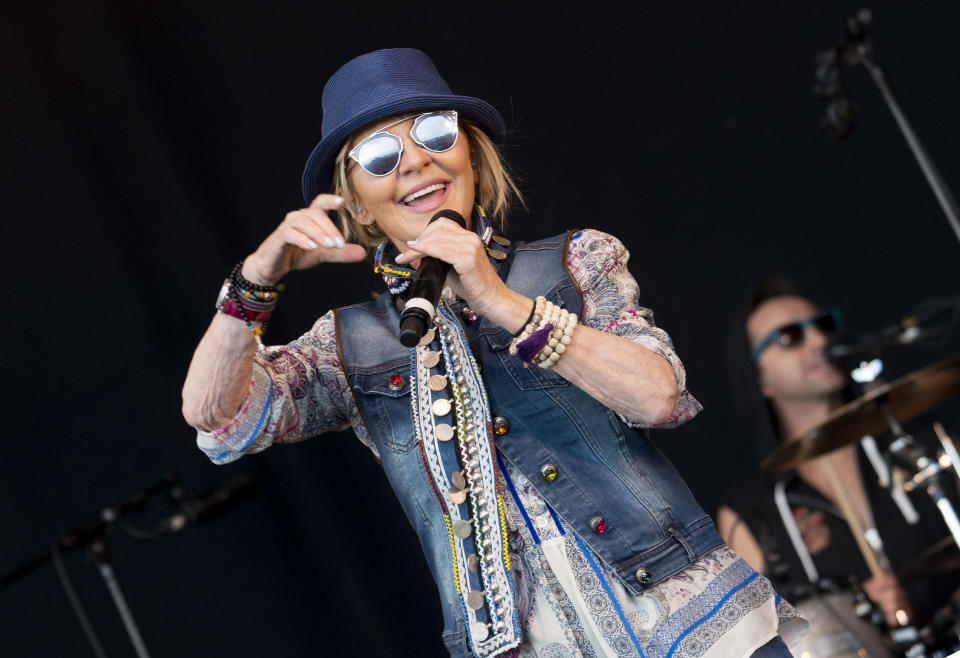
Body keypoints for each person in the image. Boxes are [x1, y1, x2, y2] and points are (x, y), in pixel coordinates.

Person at [182, 48, 800, 657]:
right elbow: (219, 418)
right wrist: (254, 282)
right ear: (354, 199)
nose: (417, 162)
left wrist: (504, 303)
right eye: (379, 154)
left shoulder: (576, 261)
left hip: (696, 630)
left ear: (471, 152)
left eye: (434, 134)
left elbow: (659, 396)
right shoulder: (347, 345)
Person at [717, 279, 960, 653]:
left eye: (823, 325)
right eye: (788, 337)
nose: (818, 341)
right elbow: (763, 644)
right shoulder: (749, 514)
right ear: (760, 379)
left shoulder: (923, 442)